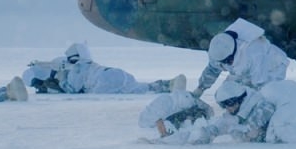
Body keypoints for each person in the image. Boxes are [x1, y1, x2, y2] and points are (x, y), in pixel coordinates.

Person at [170, 79, 296, 144]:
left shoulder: (261, 105)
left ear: (238, 100)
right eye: (224, 106)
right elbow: (225, 123)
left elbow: (252, 133)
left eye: (229, 104)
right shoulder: (244, 107)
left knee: (281, 131)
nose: (227, 109)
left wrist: (241, 134)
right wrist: (206, 134)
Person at [22, 42, 182, 94]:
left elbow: (72, 89)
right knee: (138, 87)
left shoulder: (77, 69)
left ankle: (163, 86)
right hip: (114, 72)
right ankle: (166, 85)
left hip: (103, 80)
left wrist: (61, 82)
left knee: (132, 90)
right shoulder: (88, 65)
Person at [193, 18, 291, 98]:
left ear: (234, 51)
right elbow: (212, 70)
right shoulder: (218, 50)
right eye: (224, 63)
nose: (227, 65)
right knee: (225, 93)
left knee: (258, 96)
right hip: (244, 71)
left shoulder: (254, 53)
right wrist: (200, 88)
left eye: (228, 61)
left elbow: (262, 85)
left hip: (272, 67)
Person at [139, 75, 214, 138]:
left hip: (173, 118)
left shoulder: (166, 100)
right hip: (188, 115)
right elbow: (209, 111)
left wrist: (164, 134)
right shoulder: (189, 97)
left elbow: (156, 119)